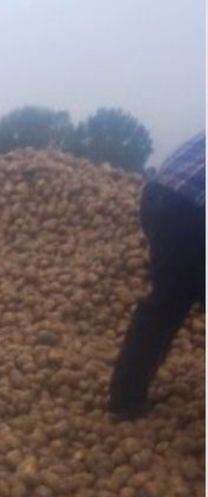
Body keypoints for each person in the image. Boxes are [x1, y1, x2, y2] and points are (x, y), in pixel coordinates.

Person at [108, 132, 205, 419]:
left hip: (160, 195)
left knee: (167, 302)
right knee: (170, 300)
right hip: (196, 208)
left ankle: (125, 400)